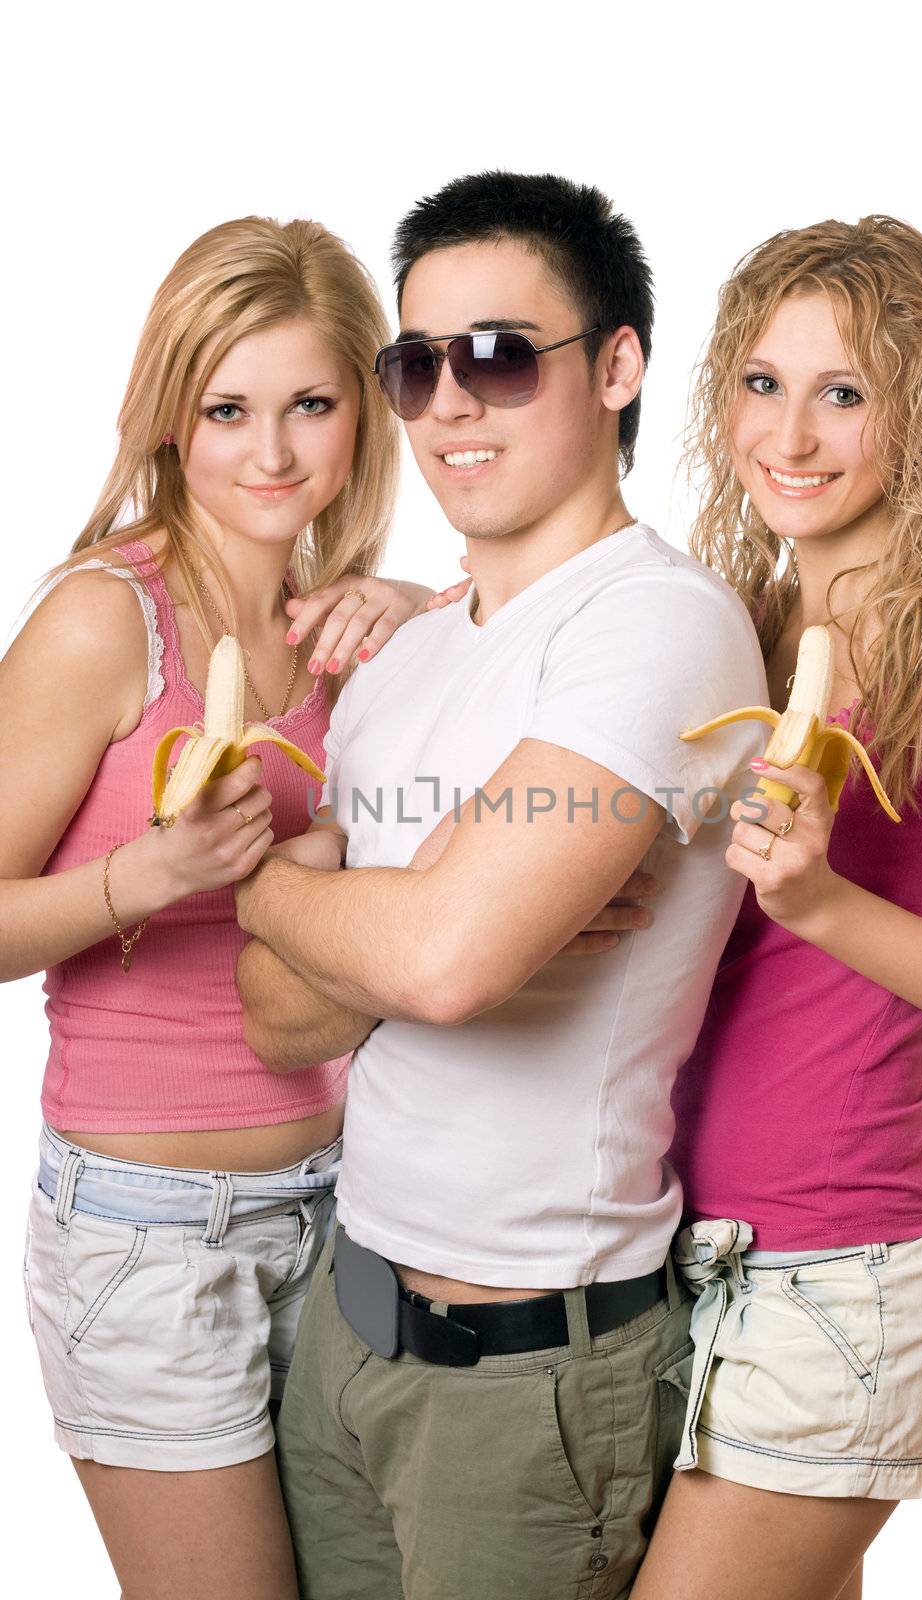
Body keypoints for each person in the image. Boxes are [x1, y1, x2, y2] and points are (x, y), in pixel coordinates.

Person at [233, 169, 768, 1599]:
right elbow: (280, 1017)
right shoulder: (399, 660)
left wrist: (304, 896)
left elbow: (445, 963)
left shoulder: (660, 627)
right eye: (415, 367)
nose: (449, 407)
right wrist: (381, 917)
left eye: (497, 357)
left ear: (616, 365)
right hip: (343, 1338)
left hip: (531, 1380)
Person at [5, 213, 480, 1600]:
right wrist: (132, 882)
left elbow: (544, 654)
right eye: (228, 410)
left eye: (311, 406)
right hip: (147, 1235)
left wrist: (423, 608)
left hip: (345, 1204)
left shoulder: (343, 634)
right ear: (169, 419)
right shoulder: (108, 621)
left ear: (362, 418)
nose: (271, 454)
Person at [628, 216, 922, 1600]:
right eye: (763, 384)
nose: (793, 436)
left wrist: (823, 904)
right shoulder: (720, 627)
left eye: (845, 392)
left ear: (921, 414)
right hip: (663, 1249)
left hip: (843, 1272)